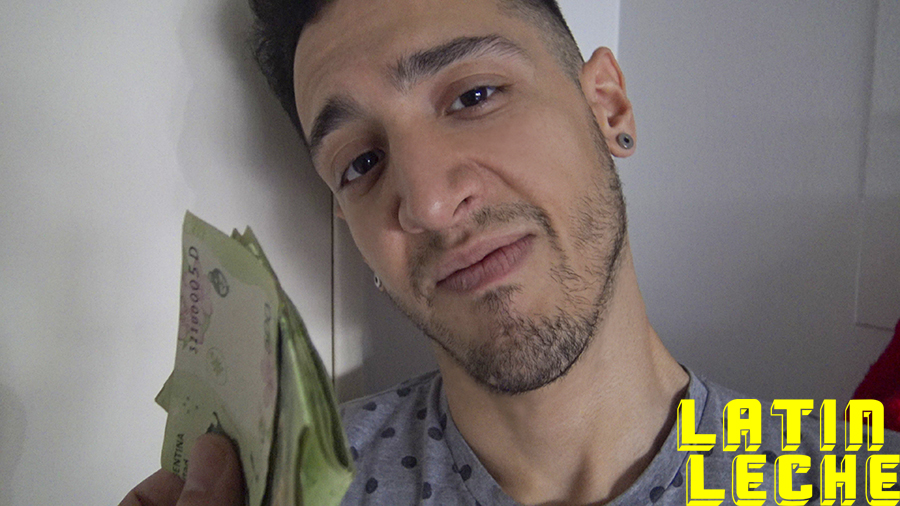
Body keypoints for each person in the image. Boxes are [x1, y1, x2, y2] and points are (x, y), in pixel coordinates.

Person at [122, 0, 900, 504]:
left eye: (473, 96)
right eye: (362, 163)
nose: (428, 204)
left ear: (607, 107)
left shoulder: (863, 480)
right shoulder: (289, 491)